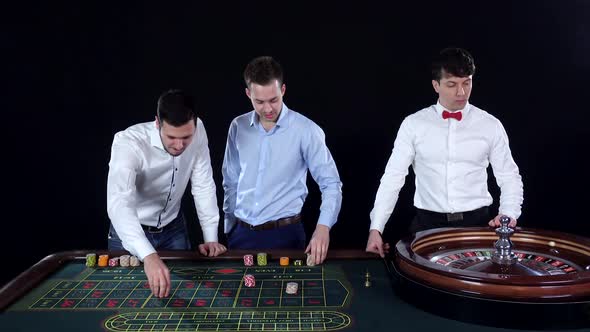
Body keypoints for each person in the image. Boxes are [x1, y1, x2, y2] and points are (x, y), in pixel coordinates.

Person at [366, 47, 524, 257]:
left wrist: (508, 214)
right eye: (452, 84)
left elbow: (509, 176)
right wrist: (376, 228)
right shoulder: (413, 124)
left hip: (477, 225)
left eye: (466, 83)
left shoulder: (490, 125)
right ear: (436, 85)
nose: (461, 92)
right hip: (427, 226)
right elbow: (393, 178)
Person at [222, 56, 342, 265]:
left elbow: (331, 184)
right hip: (240, 234)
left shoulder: (306, 130)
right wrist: (229, 225)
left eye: (274, 100)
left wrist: (323, 228)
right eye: (259, 101)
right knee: (241, 298)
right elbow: (230, 179)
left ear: (283, 90)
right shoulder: (237, 126)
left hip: (286, 235)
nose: (268, 109)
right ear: (248, 94)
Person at [107, 89, 227, 298]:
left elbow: (203, 183)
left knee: (185, 296)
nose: (179, 145)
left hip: (174, 229)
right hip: (130, 232)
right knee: (127, 300)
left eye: (186, 137)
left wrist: (210, 237)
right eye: (171, 137)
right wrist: (149, 256)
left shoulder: (199, 131)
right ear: (157, 123)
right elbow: (119, 204)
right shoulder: (128, 142)